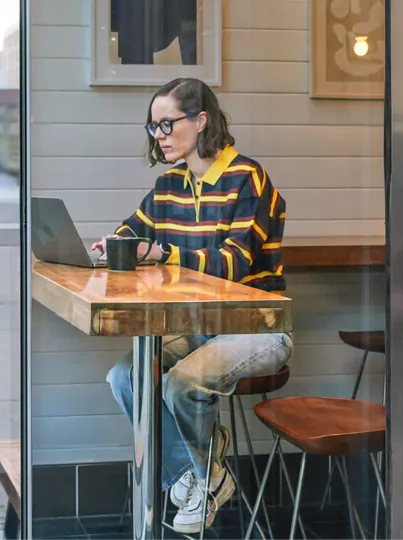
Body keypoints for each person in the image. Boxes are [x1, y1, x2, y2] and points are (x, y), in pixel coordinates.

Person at [93, 77, 293, 534]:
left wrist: (161, 253)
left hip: (257, 327)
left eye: (167, 124)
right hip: (199, 325)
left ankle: (202, 474)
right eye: (153, 127)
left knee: (180, 385)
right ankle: (203, 470)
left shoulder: (247, 178)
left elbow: (232, 265)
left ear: (201, 121)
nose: (159, 135)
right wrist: (112, 245)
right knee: (125, 377)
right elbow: (131, 230)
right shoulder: (169, 186)